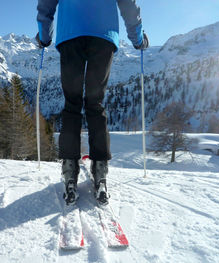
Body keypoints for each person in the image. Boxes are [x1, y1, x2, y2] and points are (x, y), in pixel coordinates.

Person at [36, 0, 149, 206]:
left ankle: (70, 171)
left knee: (72, 104)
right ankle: (100, 171)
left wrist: (44, 37)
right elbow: (128, 5)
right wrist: (138, 38)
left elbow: (46, 5)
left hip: (70, 35)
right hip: (103, 36)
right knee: (95, 104)